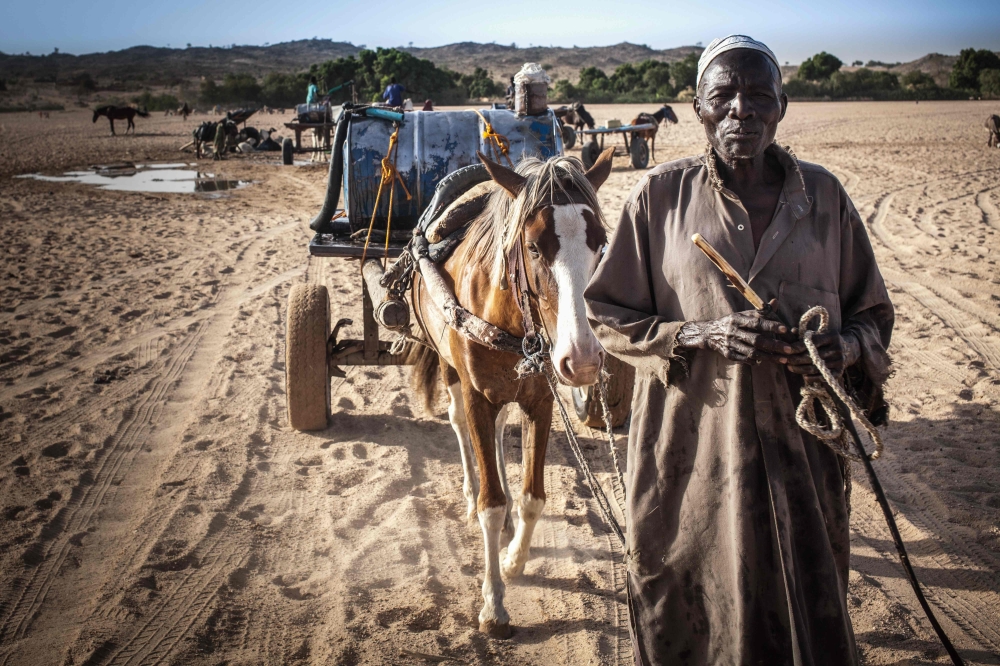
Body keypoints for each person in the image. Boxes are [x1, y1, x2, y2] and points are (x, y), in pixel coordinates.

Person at [585, 35, 893, 665]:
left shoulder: (826, 199)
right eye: (723, 95)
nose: (741, 110)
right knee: (685, 592)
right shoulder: (659, 199)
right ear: (697, 106)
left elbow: (873, 315)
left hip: (802, 459)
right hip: (688, 454)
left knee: (807, 594)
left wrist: (844, 350)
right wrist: (698, 334)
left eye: (758, 94)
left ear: (782, 104)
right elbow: (606, 313)